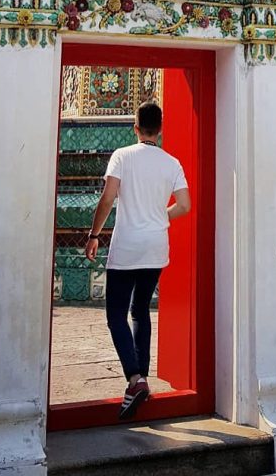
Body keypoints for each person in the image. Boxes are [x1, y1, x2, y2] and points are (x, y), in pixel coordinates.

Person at [85, 101, 191, 420]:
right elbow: (184, 205)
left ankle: (135, 379)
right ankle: (141, 379)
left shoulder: (123, 155)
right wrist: (161, 217)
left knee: (116, 314)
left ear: (135, 126)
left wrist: (94, 233)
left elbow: (108, 198)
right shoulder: (171, 163)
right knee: (140, 310)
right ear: (160, 129)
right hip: (156, 246)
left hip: (128, 245)